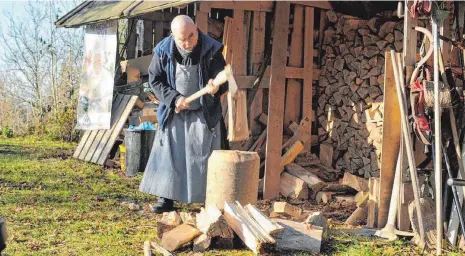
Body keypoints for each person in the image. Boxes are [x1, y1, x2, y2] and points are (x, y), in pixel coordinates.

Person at [139, 15, 228, 213]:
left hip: (203, 112)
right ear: (173, 36)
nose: (188, 43)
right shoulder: (163, 51)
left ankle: (211, 200)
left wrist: (215, 87)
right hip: (175, 112)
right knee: (169, 155)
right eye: (182, 39)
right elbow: (156, 80)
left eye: (191, 36)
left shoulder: (212, 50)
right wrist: (174, 98)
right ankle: (166, 199)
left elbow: (224, 80)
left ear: (196, 30)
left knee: (205, 157)